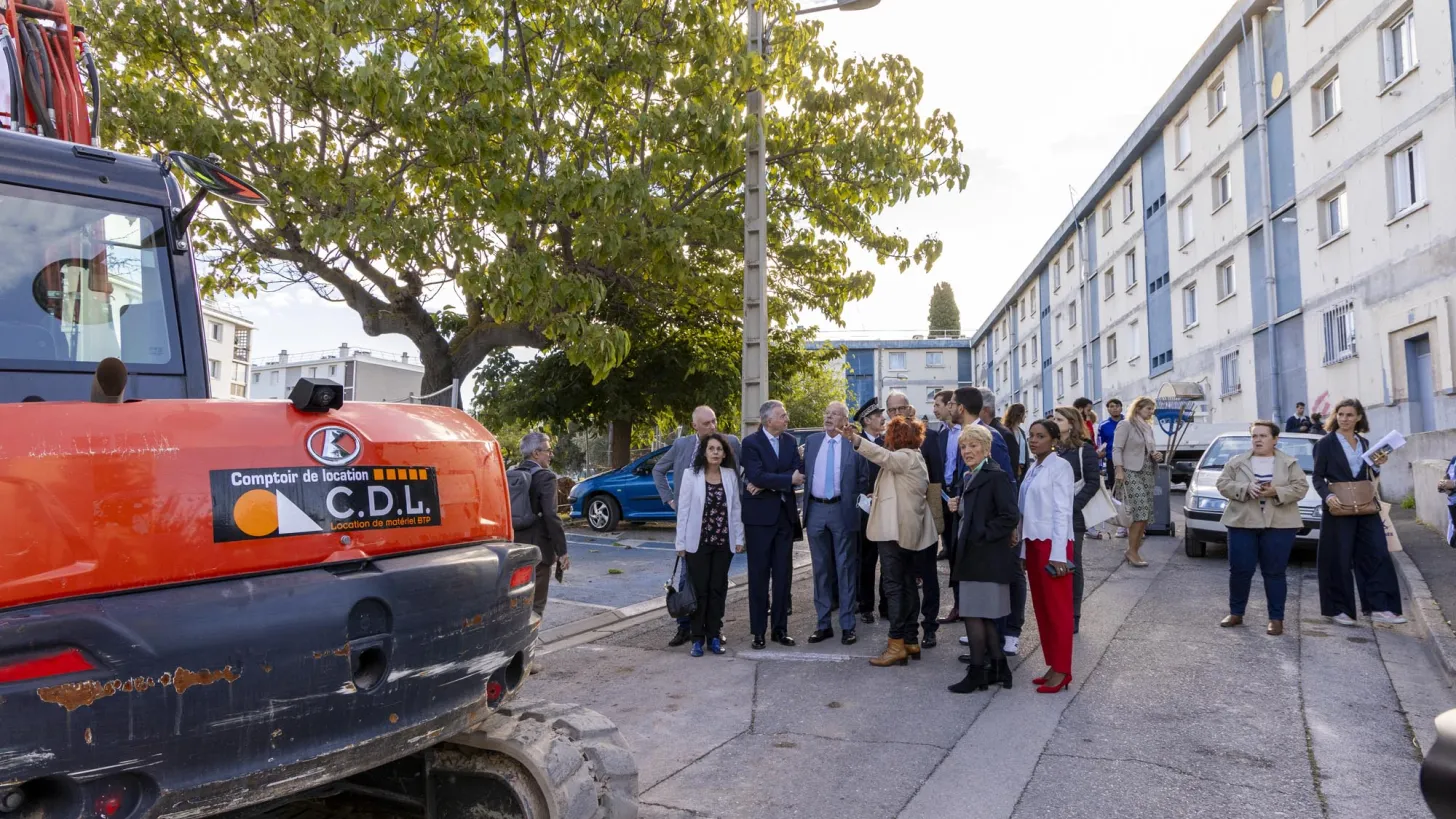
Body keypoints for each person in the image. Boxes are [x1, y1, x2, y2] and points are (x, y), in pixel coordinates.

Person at [839, 414, 939, 667]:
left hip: (895, 533)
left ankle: (896, 644)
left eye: (889, 434)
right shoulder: (914, 457)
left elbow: (883, 457)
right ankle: (910, 640)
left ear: (897, 437)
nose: (885, 438)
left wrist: (855, 439)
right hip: (906, 532)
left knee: (894, 587)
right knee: (906, 586)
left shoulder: (905, 457)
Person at [653, 406, 743, 648]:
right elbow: (658, 470)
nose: (712, 427)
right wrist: (670, 499)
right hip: (693, 529)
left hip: (721, 533)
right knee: (689, 580)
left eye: (714, 421)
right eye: (706, 423)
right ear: (695, 426)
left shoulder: (730, 443)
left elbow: (743, 474)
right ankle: (686, 628)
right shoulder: (682, 445)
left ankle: (714, 630)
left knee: (717, 585)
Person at [1313, 399, 1405, 626]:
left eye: (1350, 415)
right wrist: (1328, 496)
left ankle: (1381, 606)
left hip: (1365, 505)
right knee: (1338, 557)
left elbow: (1367, 474)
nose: (1344, 419)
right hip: (1338, 506)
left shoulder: (1364, 442)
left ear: (1359, 418)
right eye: (1341, 414)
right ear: (1335, 416)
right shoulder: (1325, 443)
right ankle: (1338, 609)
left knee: (1377, 552)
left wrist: (1377, 464)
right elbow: (1317, 477)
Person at [1214, 421, 1309, 636]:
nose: (1257, 440)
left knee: (1274, 572)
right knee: (1240, 570)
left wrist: (1276, 491)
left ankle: (1276, 619)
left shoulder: (1289, 463)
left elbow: (1301, 488)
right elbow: (1222, 484)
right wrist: (1245, 488)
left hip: (1280, 524)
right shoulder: (1237, 462)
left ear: (1275, 439)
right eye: (1254, 436)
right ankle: (1236, 613)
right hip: (1242, 522)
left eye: (1263, 436)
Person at [946, 425, 1021, 692]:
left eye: (973, 445)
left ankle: (978, 671)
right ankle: (999, 669)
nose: (967, 451)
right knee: (983, 616)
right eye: (963, 446)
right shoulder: (970, 476)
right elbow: (976, 513)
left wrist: (981, 534)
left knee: (974, 615)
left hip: (985, 557)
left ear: (987, 448)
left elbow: (1010, 515)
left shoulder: (995, 476)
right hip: (973, 557)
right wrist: (957, 507)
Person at [674, 433, 747, 656]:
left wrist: (739, 538)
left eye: (719, 449)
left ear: (724, 454)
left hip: (723, 542)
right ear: (704, 453)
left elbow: (735, 508)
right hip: (698, 542)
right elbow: (683, 510)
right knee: (700, 590)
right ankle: (697, 638)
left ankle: (714, 636)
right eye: (711, 449)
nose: (715, 452)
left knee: (718, 589)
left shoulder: (730, 475)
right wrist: (680, 542)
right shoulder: (691, 475)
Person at [741, 400, 805, 649]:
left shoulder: (789, 441)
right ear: (768, 420)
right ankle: (758, 632)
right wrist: (784, 479)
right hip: (759, 520)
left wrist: (770, 482)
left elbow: (798, 471)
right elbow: (756, 475)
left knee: (783, 576)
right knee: (758, 577)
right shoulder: (751, 443)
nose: (787, 419)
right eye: (782, 415)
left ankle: (780, 630)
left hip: (784, 518)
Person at [1020, 419, 1077, 693]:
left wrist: (1058, 555)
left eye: (1040, 436)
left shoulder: (1060, 467)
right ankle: (1054, 664)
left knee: (1058, 610)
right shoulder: (1034, 467)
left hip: (1053, 546)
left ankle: (1063, 670)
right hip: (1033, 544)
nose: (1033, 440)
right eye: (1031, 435)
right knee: (1043, 610)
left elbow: (1062, 511)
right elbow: (1025, 513)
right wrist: (1023, 550)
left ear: (1053, 440)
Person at [887, 391, 946, 647]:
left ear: (909, 408)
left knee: (928, 574)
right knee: (904, 577)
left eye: (901, 408)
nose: (897, 413)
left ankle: (929, 626)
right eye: (892, 410)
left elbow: (936, 479)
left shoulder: (928, 437)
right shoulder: (887, 440)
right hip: (896, 520)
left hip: (924, 516)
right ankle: (907, 629)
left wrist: (936, 517)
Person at [802, 401, 863, 645]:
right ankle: (823, 624)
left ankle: (847, 626)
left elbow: (863, 478)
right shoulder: (813, 442)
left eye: (834, 414)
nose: (828, 417)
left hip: (842, 510)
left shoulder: (853, 444)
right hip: (815, 509)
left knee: (845, 568)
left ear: (845, 421)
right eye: (827, 413)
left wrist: (855, 502)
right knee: (820, 569)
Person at [1051, 406, 1099, 635]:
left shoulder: (1084, 449)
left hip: (1073, 515)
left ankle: (1073, 615)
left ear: (1071, 423)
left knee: (1072, 563)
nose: (1054, 422)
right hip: (1050, 514)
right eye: (1053, 419)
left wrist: (1072, 506)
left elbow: (1093, 482)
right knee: (1053, 561)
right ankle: (1058, 610)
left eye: (1059, 419)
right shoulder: (1053, 449)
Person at [514, 432, 570, 617]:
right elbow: (551, 516)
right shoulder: (546, 477)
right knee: (536, 607)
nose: (551, 454)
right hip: (539, 551)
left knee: (517, 604)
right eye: (548, 450)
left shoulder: (512, 474)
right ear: (536, 453)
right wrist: (562, 551)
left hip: (514, 548)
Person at [1113, 396, 1162, 567]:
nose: (1151, 412)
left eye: (1152, 409)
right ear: (1138, 408)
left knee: (1145, 513)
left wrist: (1156, 455)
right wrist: (1119, 469)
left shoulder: (1147, 428)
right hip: (1130, 471)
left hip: (1147, 471)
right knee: (1139, 511)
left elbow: (1149, 450)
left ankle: (1134, 550)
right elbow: (1117, 449)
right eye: (1148, 409)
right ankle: (1131, 551)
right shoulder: (1125, 425)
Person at [854, 397, 889, 624]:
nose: (882, 419)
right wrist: (862, 494)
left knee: (887, 560)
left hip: (886, 507)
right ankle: (865, 605)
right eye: (878, 416)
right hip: (865, 510)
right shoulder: (856, 443)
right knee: (866, 560)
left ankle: (886, 605)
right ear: (866, 420)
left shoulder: (888, 442)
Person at [1003, 402, 1029, 480]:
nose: (1025, 416)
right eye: (1024, 413)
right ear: (1019, 414)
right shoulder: (1006, 431)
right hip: (1011, 469)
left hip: (1022, 470)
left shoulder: (1022, 432)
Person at [1439, 454, 1456, 549]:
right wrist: (1442, 483)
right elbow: (1448, 475)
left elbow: (1453, 483)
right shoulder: (1455, 459)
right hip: (1453, 505)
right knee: (1453, 541)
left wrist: (1454, 484)